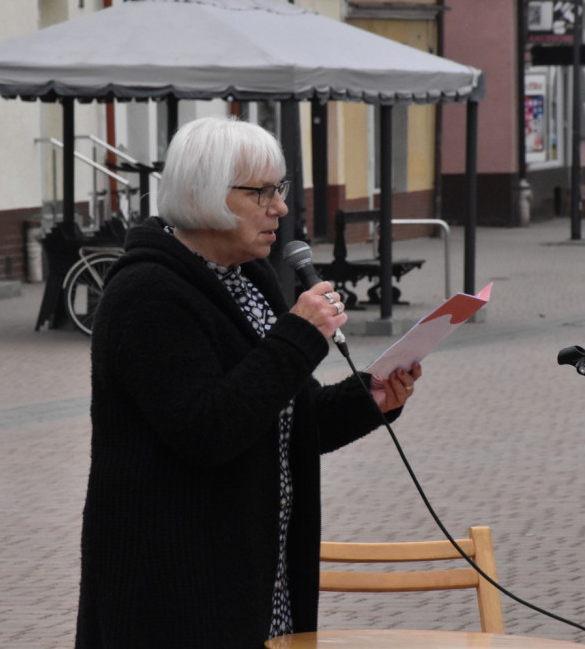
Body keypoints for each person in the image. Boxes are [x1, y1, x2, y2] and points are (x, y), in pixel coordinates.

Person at [74, 116, 422, 648]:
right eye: (260, 192)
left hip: (257, 574)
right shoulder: (146, 293)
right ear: (205, 194)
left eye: (278, 189)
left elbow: (280, 416)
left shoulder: (250, 278)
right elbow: (207, 430)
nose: (279, 207)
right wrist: (301, 335)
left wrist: (368, 398)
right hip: (176, 589)